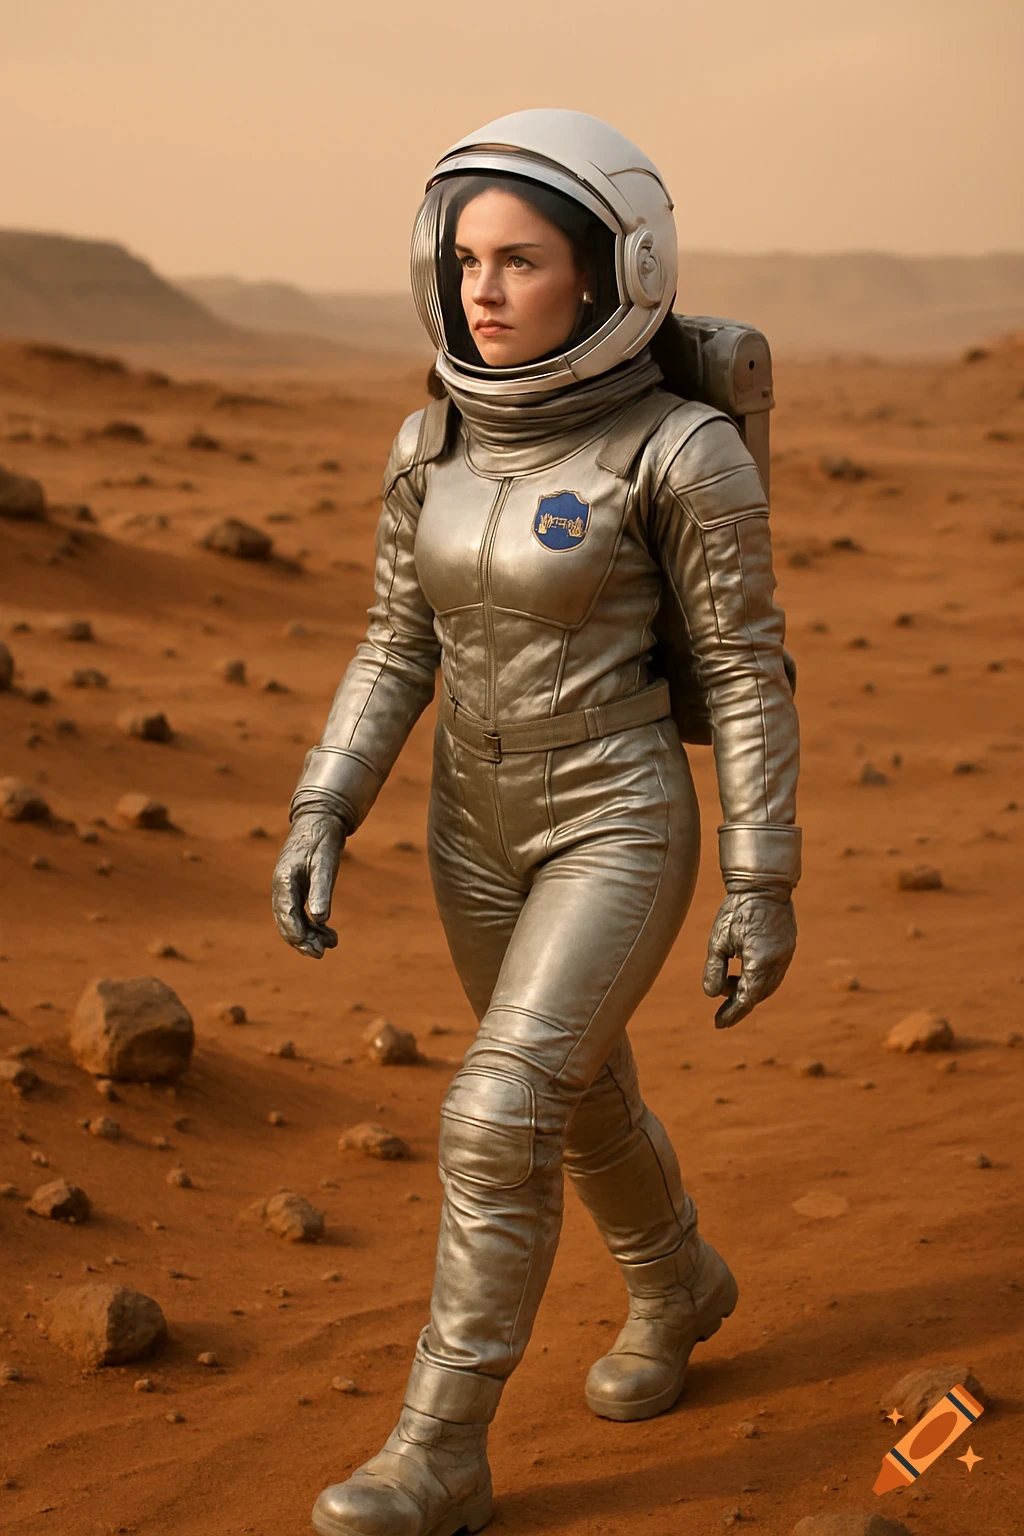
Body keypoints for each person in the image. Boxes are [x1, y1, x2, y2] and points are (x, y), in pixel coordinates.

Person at [271, 108, 801, 1536]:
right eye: (463, 262)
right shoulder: (428, 438)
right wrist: (328, 799)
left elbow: (746, 667)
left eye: (520, 261)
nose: (482, 291)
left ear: (614, 272)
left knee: (501, 1110)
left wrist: (765, 875)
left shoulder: (683, 451)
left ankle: (439, 1449)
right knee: (577, 1097)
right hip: (469, 825)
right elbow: (396, 646)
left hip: (612, 814)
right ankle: (678, 1279)